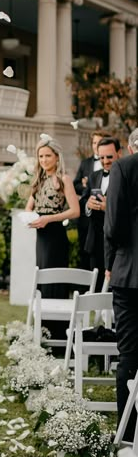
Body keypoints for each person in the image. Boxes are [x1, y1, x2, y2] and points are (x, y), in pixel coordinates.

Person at [26, 138, 80, 336]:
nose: (44, 160)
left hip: (56, 236)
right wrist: (30, 218)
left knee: (54, 280)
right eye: (41, 156)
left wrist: (49, 218)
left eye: (48, 155)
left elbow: (75, 211)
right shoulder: (38, 180)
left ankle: (57, 333)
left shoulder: (63, 179)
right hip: (41, 237)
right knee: (42, 279)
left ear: (57, 157)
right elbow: (29, 207)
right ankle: (42, 332)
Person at [104, 128, 138, 440]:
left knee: (128, 354)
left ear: (130, 146)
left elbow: (113, 225)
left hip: (131, 274)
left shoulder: (124, 167)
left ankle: (127, 435)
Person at [83, 137, 121, 292]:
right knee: (95, 288)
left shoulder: (126, 176)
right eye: (101, 157)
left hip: (116, 242)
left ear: (119, 153)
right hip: (95, 240)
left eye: (109, 157)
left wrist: (109, 208)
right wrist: (88, 205)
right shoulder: (94, 176)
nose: (105, 161)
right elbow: (84, 200)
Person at [73, 130, 107, 269]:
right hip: (87, 219)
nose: (95, 145)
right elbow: (76, 185)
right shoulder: (85, 163)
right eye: (94, 142)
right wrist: (85, 186)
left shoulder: (115, 166)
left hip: (105, 221)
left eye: (98, 142)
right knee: (86, 256)